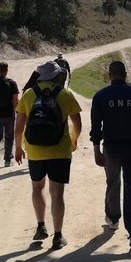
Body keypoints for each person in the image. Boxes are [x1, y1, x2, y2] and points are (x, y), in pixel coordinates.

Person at [14, 61, 82, 250]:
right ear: (57, 76)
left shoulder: (29, 94)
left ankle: (41, 226)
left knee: (37, 187)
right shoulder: (65, 94)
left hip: (34, 151)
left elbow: (19, 125)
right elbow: (77, 123)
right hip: (60, 151)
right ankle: (58, 236)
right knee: (57, 192)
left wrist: (18, 147)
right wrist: (74, 141)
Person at [90, 60, 131, 253]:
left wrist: (96, 151)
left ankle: (113, 219)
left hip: (111, 149)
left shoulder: (100, 96)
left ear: (110, 76)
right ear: (125, 74)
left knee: (113, 182)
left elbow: (95, 127)